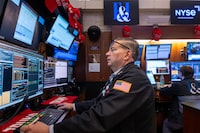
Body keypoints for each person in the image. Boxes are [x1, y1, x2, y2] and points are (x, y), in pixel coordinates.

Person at [20, 37, 156, 133]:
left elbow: (103, 115)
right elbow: (100, 102)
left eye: (113, 50)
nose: (107, 53)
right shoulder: (122, 75)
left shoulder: (133, 79)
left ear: (127, 55)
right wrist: (74, 106)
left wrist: (51, 129)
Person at [160, 66, 200, 133]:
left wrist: (169, 87)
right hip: (197, 120)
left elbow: (162, 91)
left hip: (180, 121)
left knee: (166, 123)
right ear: (193, 74)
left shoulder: (178, 85)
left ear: (181, 74)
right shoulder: (198, 84)